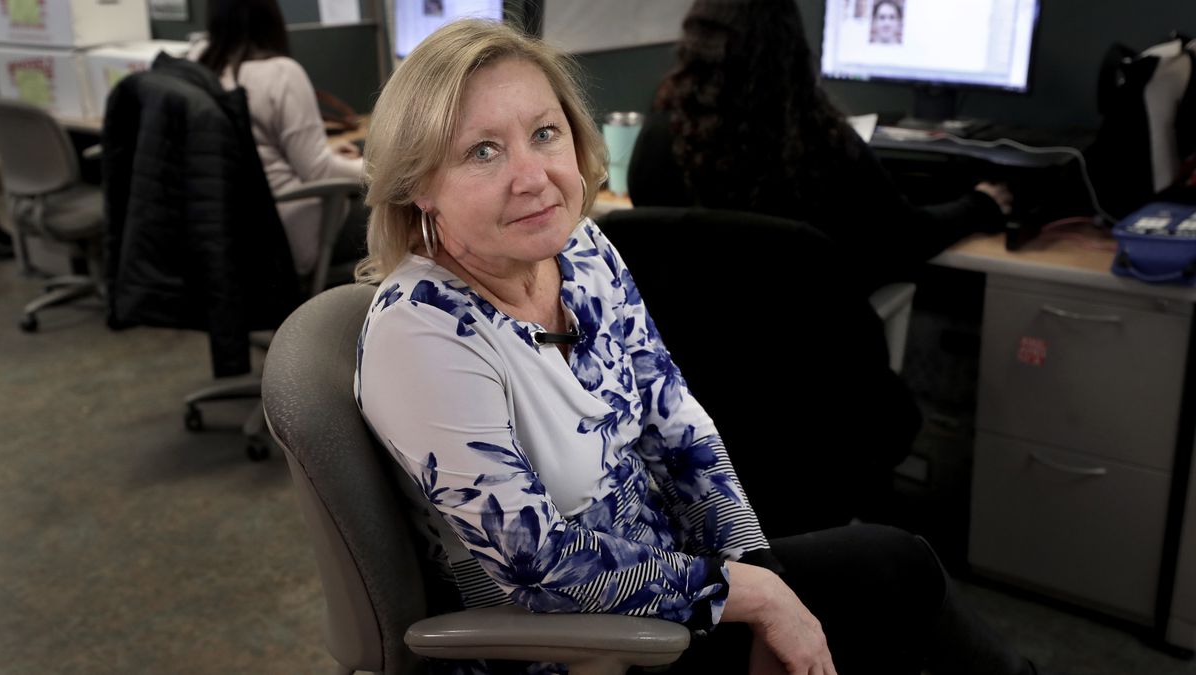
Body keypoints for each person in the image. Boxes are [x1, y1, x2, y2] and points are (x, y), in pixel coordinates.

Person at [354, 18, 1051, 675]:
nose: (533, 176)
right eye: (483, 151)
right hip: (581, 645)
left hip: (676, 586)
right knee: (889, 591)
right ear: (418, 184)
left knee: (900, 572)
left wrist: (759, 569)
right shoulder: (422, 334)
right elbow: (541, 567)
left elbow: (676, 422)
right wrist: (754, 599)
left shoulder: (582, 249)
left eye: (545, 133)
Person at [628, 0, 1013, 292]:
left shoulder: (659, 136)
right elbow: (906, 239)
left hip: (689, 369)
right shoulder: (818, 142)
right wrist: (981, 203)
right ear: (789, 47)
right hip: (807, 366)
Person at [196, 0, 365, 277]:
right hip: (293, 228)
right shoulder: (280, 73)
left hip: (238, 228)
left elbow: (263, 151)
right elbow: (318, 171)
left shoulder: (201, 66)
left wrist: (328, 152)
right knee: (399, 214)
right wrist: (381, 169)